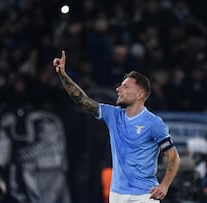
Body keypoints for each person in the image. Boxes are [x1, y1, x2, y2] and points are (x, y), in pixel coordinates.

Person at [52, 50, 180, 203]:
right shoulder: (112, 114)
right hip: (117, 194)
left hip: (144, 195)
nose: (118, 89)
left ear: (140, 95)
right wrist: (63, 75)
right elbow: (82, 99)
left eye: (125, 87)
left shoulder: (153, 123)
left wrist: (164, 186)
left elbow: (173, 157)